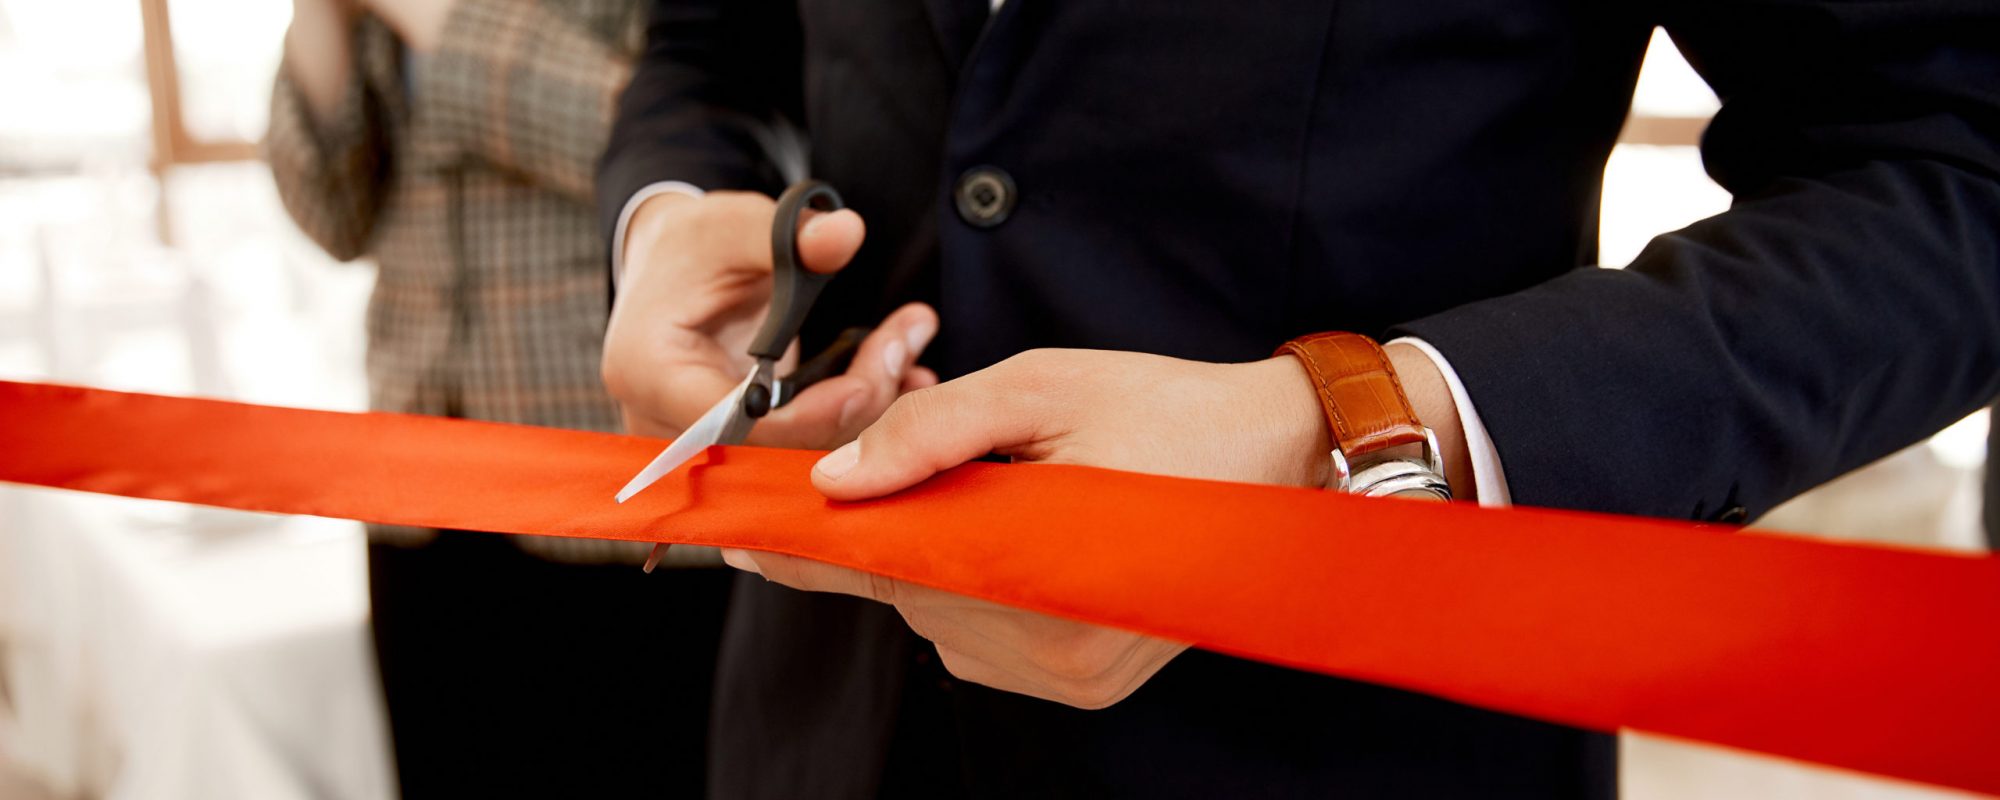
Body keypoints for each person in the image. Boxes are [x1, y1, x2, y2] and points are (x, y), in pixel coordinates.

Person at [599, 1, 2000, 797]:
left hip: (1352, 752)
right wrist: (664, 216)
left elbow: (1957, 172)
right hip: (819, 732)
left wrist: (1358, 427)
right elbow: (711, 45)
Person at [266, 0, 729, 796]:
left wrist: (433, 18)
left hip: (612, 480)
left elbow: (680, 148)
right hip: (417, 484)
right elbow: (335, 218)